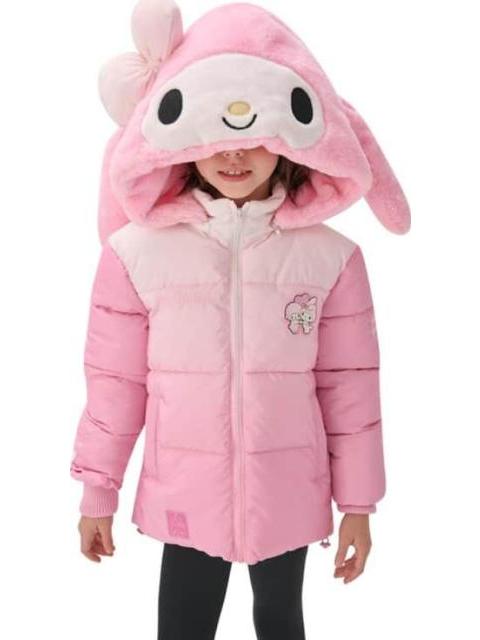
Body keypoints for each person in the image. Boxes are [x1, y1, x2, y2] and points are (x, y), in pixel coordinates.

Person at [69, 1, 411, 638]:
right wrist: (97, 489)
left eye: (255, 137)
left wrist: (359, 504)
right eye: (218, 137)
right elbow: (115, 386)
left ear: (286, 140)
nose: (235, 154)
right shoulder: (136, 254)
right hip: (185, 489)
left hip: (288, 488)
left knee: (281, 620)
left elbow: (351, 390)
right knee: (183, 625)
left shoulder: (331, 258)